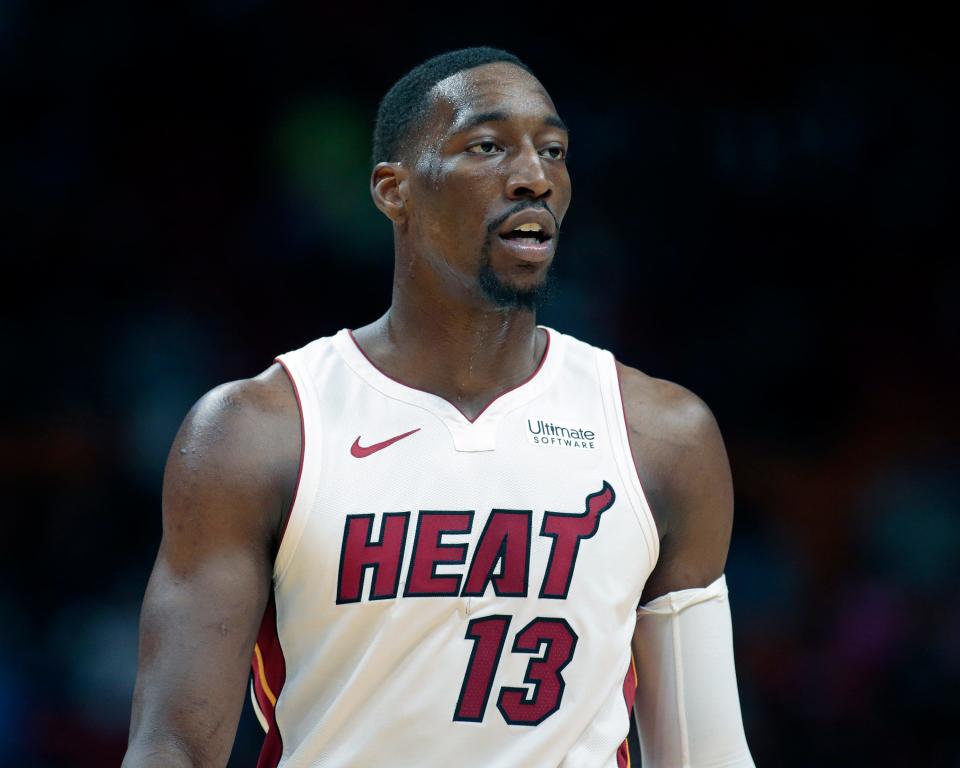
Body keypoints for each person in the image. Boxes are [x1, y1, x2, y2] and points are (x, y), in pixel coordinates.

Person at [122, 46, 755, 768]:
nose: (535, 177)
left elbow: (705, 753)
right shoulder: (259, 430)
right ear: (394, 190)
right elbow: (172, 746)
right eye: (487, 147)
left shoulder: (663, 436)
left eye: (554, 151)